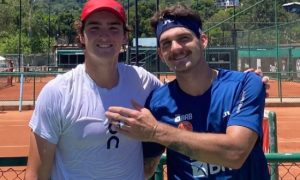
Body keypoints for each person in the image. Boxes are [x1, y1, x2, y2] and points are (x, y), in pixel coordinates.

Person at [105, 4, 270, 179]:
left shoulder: (245, 84)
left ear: (203, 40)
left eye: (184, 38)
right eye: (166, 43)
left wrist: (156, 131)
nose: (175, 48)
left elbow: (236, 152)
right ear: (161, 54)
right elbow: (145, 169)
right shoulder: (157, 102)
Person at [25, 0, 162, 179]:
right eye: (94, 28)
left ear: (125, 36)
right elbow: (36, 174)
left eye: (113, 28)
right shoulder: (57, 93)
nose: (104, 36)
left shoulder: (143, 81)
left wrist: (154, 145)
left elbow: (180, 105)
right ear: (81, 36)